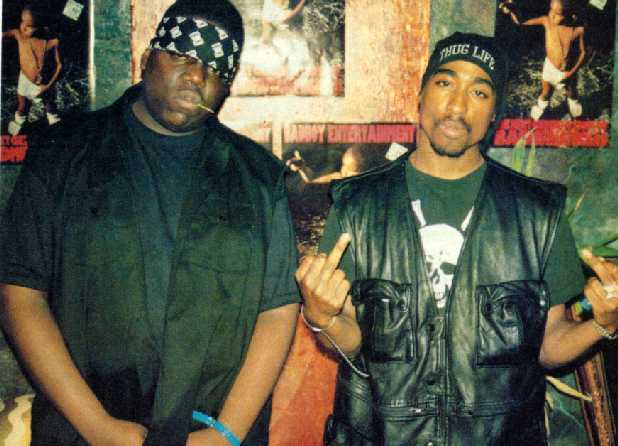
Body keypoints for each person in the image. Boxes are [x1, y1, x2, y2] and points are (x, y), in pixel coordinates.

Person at [295, 32, 618, 445]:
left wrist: (603, 325)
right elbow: (355, 342)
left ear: (494, 113)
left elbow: (548, 346)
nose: (457, 105)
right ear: (421, 96)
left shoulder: (537, 213)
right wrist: (322, 317)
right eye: (445, 83)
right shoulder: (358, 205)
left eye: (479, 92)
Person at [0, 1, 299, 445]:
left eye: (215, 67)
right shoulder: (62, 153)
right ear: (146, 59)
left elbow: (277, 310)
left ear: (228, 84)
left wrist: (226, 434)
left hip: (211, 431)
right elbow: (20, 293)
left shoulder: (259, 177)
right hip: (82, 429)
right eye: (181, 55)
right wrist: (96, 427)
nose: (196, 76)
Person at [500, 0, 586, 120]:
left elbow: (583, 53)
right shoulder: (547, 21)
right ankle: (537, 116)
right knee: (545, 94)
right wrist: (512, 9)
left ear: (570, 15)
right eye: (551, 10)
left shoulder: (578, 30)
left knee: (572, 94)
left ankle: (576, 116)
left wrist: (571, 73)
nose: (552, 15)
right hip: (550, 69)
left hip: (568, 72)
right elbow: (521, 21)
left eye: (557, 13)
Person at [3, 3, 62, 136]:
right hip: (24, 80)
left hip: (43, 84)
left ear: (41, 27)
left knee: (49, 105)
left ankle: (55, 126)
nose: (23, 27)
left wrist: (48, 86)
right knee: (22, 105)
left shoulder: (52, 42)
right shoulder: (19, 35)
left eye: (29, 26)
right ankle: (19, 123)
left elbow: (60, 66)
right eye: (22, 22)